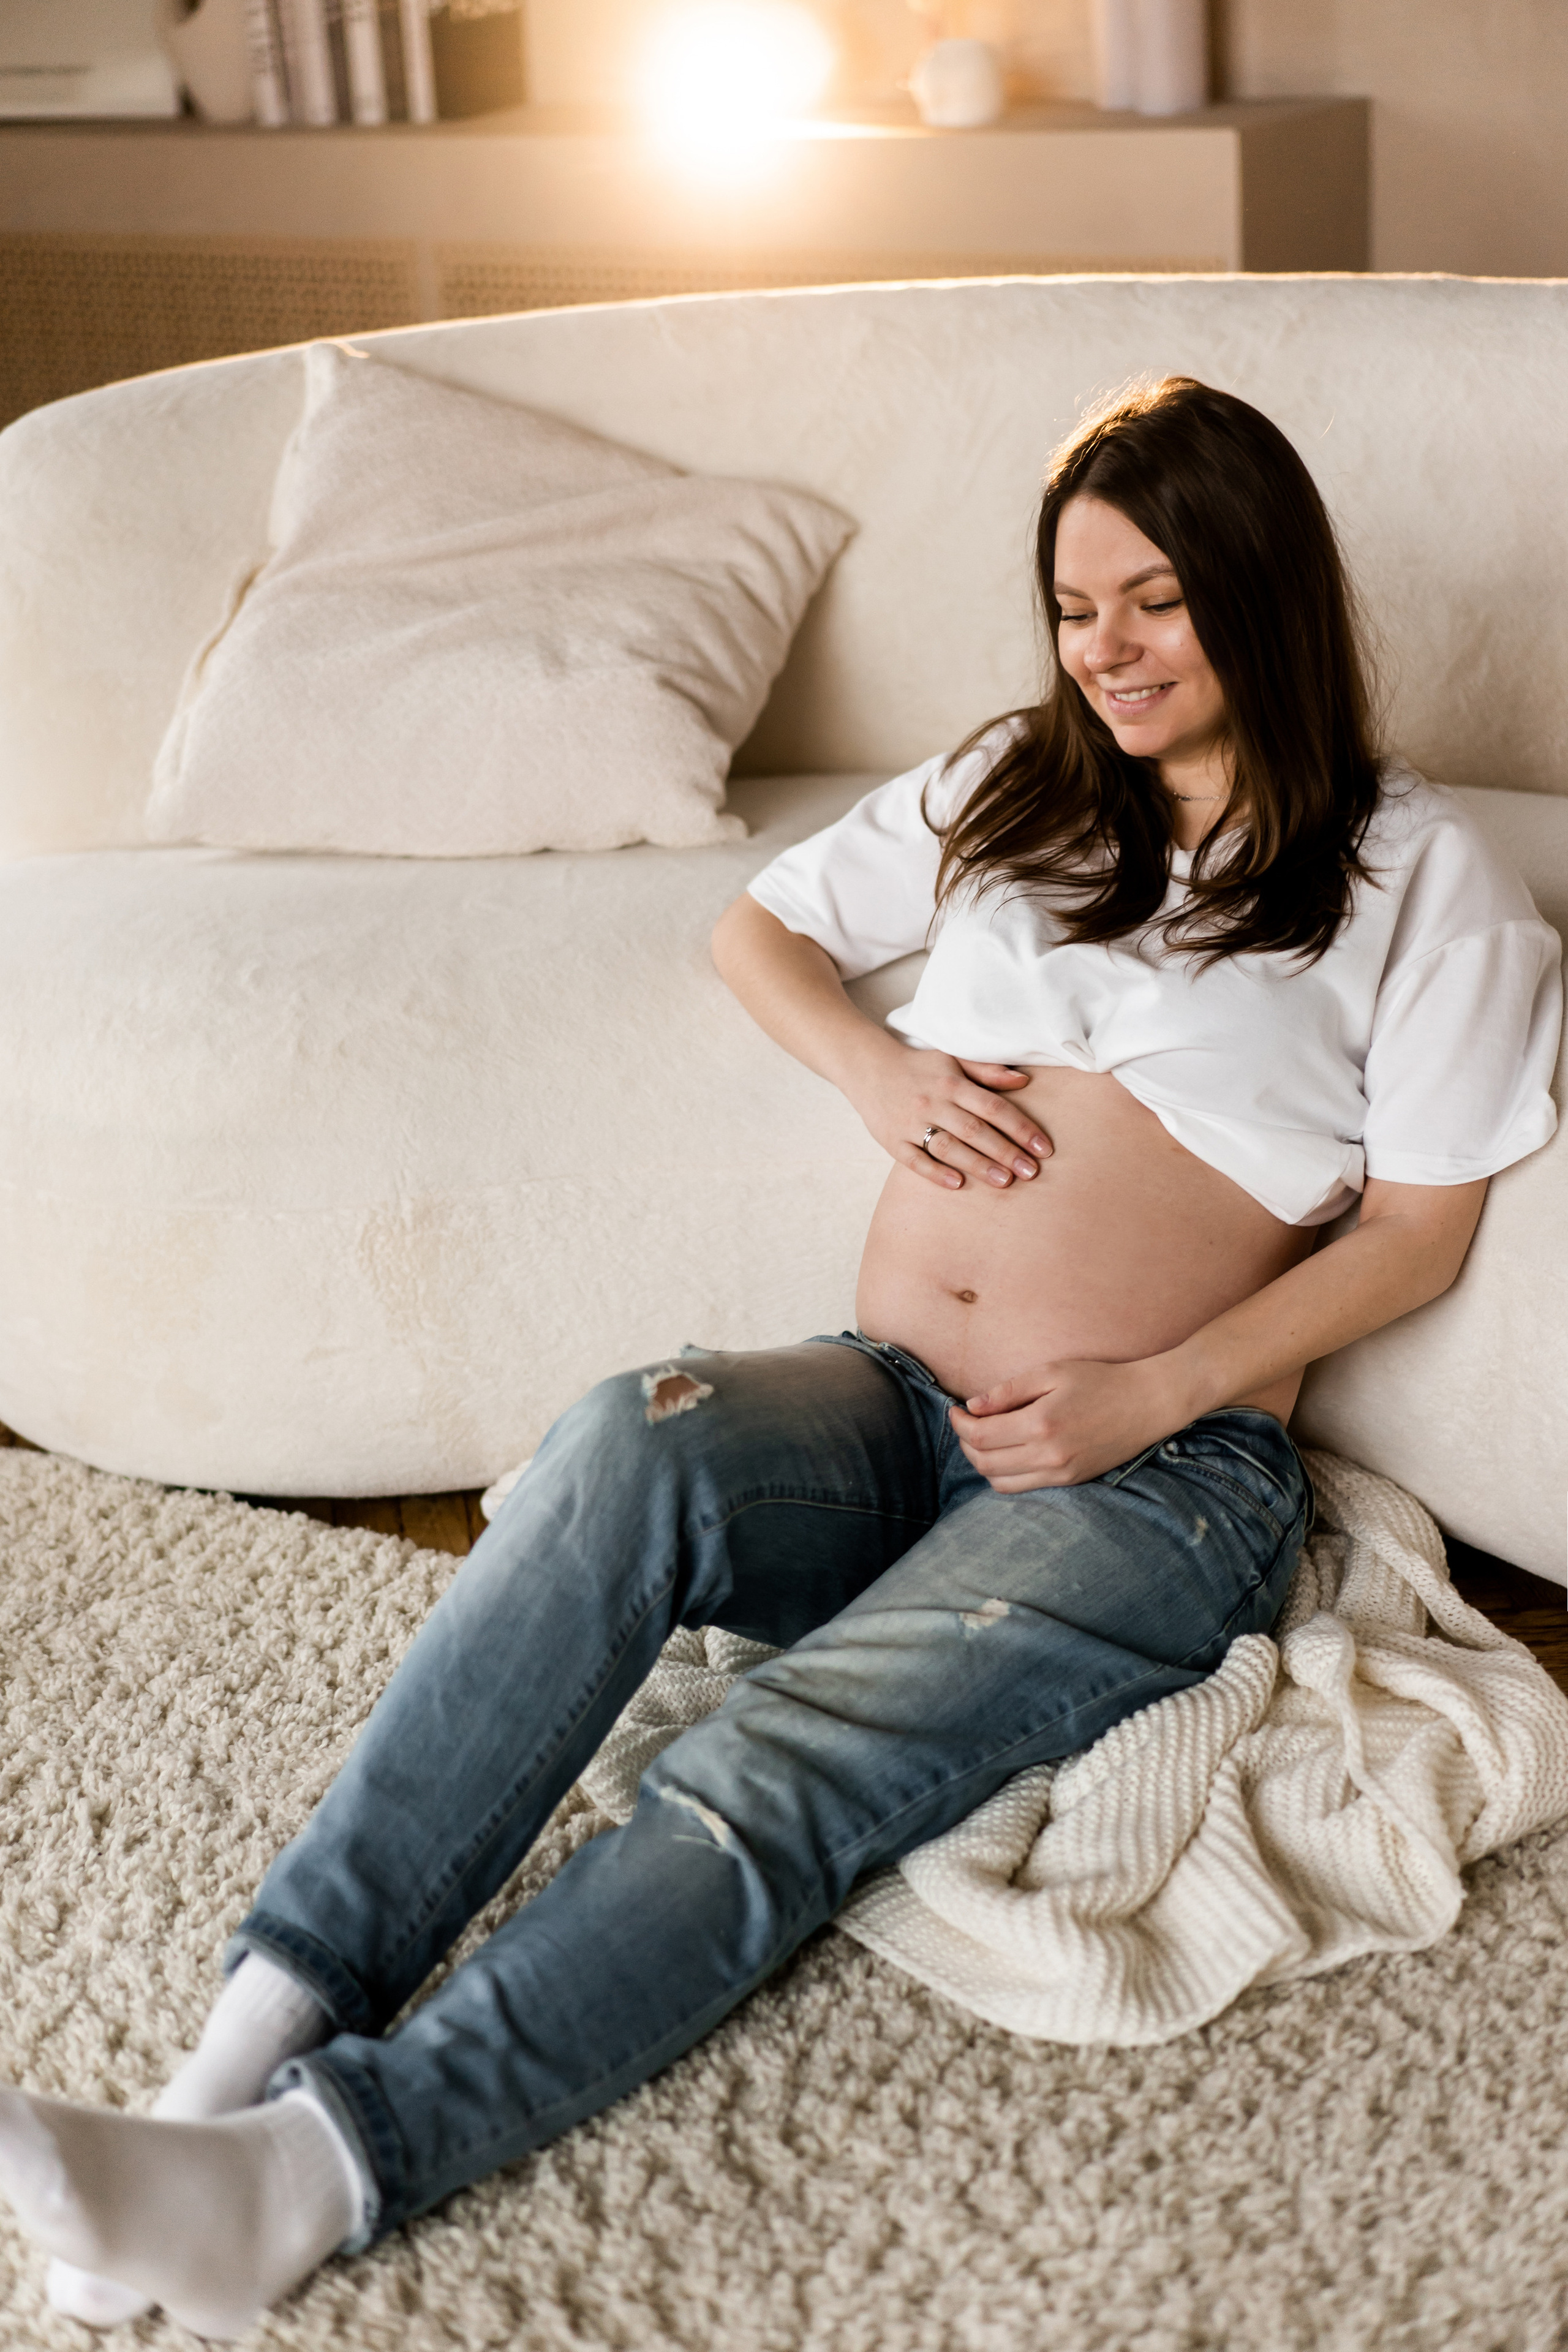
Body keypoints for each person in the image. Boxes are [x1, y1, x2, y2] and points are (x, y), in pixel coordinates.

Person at [1, 377, 1559, 2340]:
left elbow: (1418, 1234)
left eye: (1157, 602)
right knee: (621, 1448)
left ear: (1264, 588)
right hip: (890, 1400)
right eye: (1076, 609)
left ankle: (308, 2177)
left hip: (1153, 1472)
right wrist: (878, 1071)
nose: (1108, 651)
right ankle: (236, 2056)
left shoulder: (1421, 880)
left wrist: (1158, 1392)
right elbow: (762, 927)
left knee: (778, 1753)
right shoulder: (1019, 782)